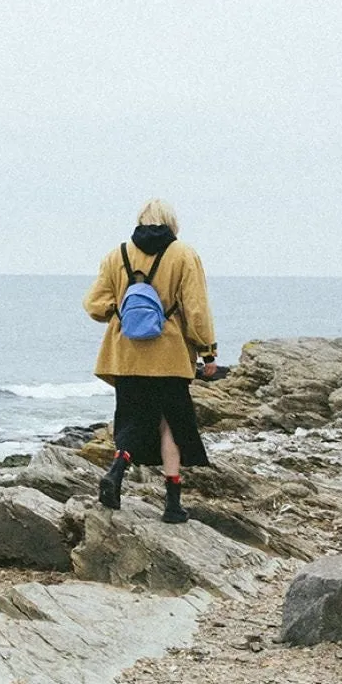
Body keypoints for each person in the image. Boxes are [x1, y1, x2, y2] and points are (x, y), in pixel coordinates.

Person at [83, 198, 217, 523]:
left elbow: (93, 304)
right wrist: (207, 351)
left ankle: (115, 473)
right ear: (171, 222)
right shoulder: (184, 254)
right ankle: (172, 505)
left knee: (130, 421)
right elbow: (195, 310)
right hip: (169, 358)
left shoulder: (118, 254)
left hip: (126, 356)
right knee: (170, 423)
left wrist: (121, 312)